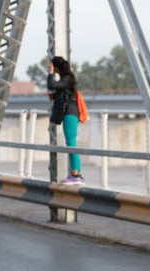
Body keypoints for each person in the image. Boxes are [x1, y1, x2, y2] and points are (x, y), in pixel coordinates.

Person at [47, 56, 85, 185]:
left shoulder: (67, 77)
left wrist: (50, 72)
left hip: (70, 112)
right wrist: (54, 96)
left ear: (56, 67)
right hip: (70, 112)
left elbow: (51, 84)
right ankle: (77, 174)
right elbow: (64, 92)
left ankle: (76, 174)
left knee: (71, 142)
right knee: (71, 142)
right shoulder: (66, 78)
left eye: (53, 67)